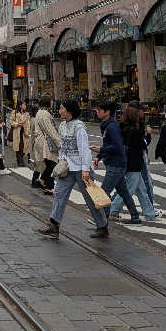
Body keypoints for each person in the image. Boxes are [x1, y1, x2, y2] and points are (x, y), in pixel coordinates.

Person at [39, 100, 109, 240]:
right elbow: (62, 146)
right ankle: (54, 225)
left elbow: (84, 149)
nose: (60, 111)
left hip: (81, 168)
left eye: (62, 108)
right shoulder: (63, 125)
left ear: (69, 111)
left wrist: (85, 169)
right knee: (59, 194)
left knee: (90, 198)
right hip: (67, 167)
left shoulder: (79, 126)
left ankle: (102, 226)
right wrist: (61, 160)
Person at [109, 103, 161, 220]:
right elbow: (142, 145)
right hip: (134, 162)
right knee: (129, 189)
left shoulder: (122, 128)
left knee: (141, 189)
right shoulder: (135, 131)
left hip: (126, 161)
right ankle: (113, 209)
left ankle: (149, 213)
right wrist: (148, 135)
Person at [92, 102, 141, 225]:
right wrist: (99, 156)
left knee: (104, 192)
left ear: (107, 112)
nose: (97, 112)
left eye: (99, 110)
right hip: (116, 163)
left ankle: (102, 220)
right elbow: (108, 144)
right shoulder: (107, 126)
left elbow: (118, 146)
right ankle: (135, 216)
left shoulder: (112, 127)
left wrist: (101, 150)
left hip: (116, 164)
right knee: (124, 192)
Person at [31, 96, 60, 192]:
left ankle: (48, 185)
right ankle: (44, 181)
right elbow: (50, 130)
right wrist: (59, 143)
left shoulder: (40, 112)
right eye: (51, 101)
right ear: (47, 102)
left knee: (48, 163)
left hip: (41, 141)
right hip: (46, 142)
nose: (52, 102)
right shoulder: (44, 114)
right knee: (53, 162)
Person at [8, 102, 31, 167]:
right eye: (24, 105)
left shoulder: (27, 114)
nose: (25, 106)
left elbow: (28, 123)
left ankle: (19, 160)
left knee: (24, 147)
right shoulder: (14, 112)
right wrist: (17, 124)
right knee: (18, 147)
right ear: (20, 106)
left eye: (25, 105)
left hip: (24, 132)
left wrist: (28, 131)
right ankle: (20, 161)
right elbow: (11, 121)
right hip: (17, 132)